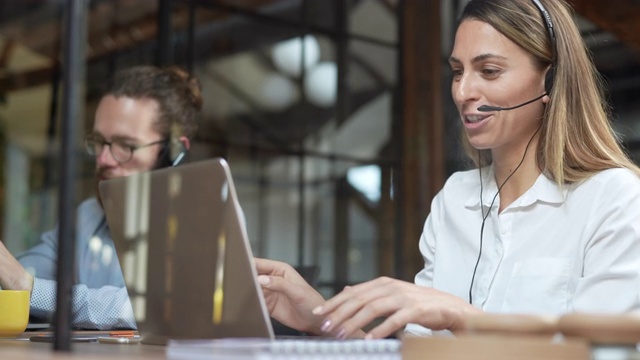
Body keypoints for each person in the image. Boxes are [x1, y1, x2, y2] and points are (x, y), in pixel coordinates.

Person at [255, 0, 640, 340]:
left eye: (488, 71)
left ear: (550, 81)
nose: (462, 92)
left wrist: (462, 318)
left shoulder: (613, 198)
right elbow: (419, 353)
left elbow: (600, 354)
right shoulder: (454, 199)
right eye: (458, 71)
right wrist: (321, 318)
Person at [0, 65, 202, 330]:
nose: (103, 159)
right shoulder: (87, 217)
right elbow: (21, 271)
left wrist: (28, 287)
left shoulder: (207, 217)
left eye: (126, 146)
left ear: (173, 152)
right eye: (98, 141)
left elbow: (156, 307)